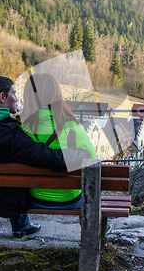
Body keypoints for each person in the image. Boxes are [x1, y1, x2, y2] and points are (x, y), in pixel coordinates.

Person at [0, 75, 89, 238]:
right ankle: (86, 233)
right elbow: (48, 158)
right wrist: (79, 155)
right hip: (7, 201)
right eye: (13, 93)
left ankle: (21, 225)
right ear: (2, 97)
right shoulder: (11, 135)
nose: (16, 98)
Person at [20, 73, 96, 209]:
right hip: (68, 200)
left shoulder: (21, 126)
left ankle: (21, 226)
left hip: (35, 198)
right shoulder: (69, 125)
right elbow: (91, 156)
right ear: (56, 94)